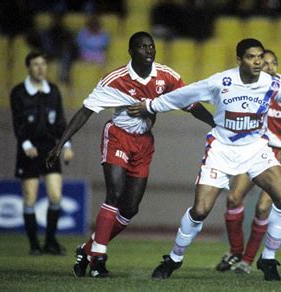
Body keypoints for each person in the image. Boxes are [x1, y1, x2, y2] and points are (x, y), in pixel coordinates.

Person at [128, 38, 281, 281]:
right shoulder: (220, 82)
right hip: (220, 150)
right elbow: (183, 96)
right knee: (200, 210)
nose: (258, 61)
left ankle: (268, 258)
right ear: (239, 60)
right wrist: (151, 105)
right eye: (251, 57)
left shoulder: (272, 84)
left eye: (260, 56)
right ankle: (174, 259)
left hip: (255, 150)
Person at [45, 31, 215, 278]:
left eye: (152, 46)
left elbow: (191, 105)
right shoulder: (116, 79)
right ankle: (98, 261)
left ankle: (88, 249)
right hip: (118, 136)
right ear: (131, 51)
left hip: (144, 142)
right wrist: (61, 143)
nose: (149, 50)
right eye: (143, 47)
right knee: (114, 193)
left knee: (130, 208)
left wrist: (215, 124)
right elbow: (85, 112)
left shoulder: (167, 77)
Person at [214, 49, 281, 274]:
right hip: (256, 149)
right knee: (234, 197)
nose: (269, 67)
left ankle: (247, 261)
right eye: (265, 63)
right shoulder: (251, 89)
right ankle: (236, 250)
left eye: (273, 63)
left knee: (264, 206)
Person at [10, 51, 74, 256]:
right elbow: (17, 123)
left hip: (49, 149)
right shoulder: (18, 92)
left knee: (55, 195)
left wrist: (66, 145)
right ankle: (34, 245)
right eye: (36, 64)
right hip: (28, 150)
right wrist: (26, 144)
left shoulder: (53, 91)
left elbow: (61, 122)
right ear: (28, 67)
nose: (40, 68)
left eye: (43, 64)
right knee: (30, 197)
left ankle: (50, 242)